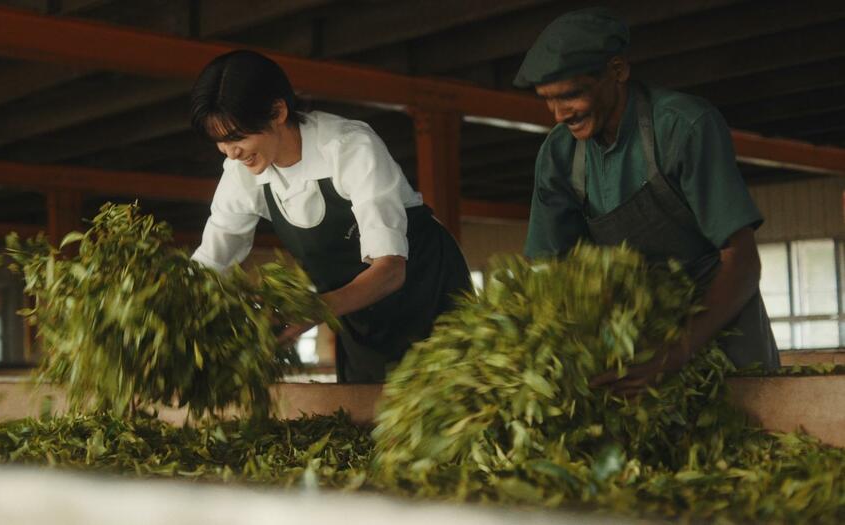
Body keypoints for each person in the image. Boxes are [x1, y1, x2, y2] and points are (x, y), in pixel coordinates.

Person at [513, 8, 779, 394]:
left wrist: (674, 353)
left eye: (571, 95)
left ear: (617, 71)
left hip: (722, 322)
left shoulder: (683, 127)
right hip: (634, 338)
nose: (559, 115)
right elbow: (552, 272)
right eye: (547, 101)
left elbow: (742, 263)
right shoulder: (558, 156)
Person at [190, 50, 472, 383]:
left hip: (429, 297)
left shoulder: (349, 148)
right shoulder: (241, 173)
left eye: (238, 137)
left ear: (278, 111)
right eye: (221, 142)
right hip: (358, 315)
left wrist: (313, 310)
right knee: (367, 419)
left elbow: (391, 269)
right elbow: (209, 263)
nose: (231, 152)